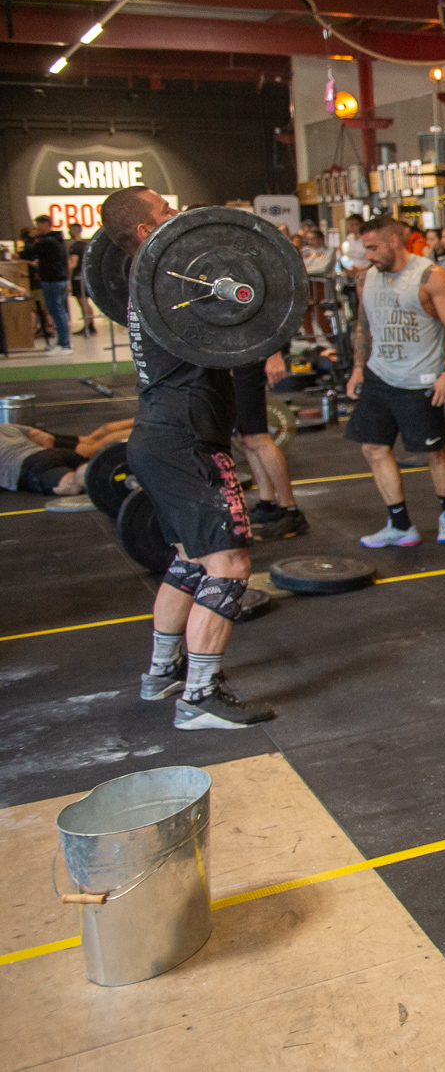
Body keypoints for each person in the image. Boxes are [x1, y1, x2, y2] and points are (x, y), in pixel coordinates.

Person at [98, 186, 272, 730]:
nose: (180, 219)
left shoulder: (149, 285)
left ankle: (162, 673)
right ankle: (198, 696)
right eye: (167, 214)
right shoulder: (170, 284)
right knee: (230, 564)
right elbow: (249, 302)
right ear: (149, 234)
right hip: (186, 440)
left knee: (188, 561)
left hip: (158, 435)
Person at [346, 214, 445, 548]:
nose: (369, 255)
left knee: (434, 452)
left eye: (373, 247)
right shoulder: (366, 280)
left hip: (421, 380)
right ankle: (400, 524)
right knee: (373, 447)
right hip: (379, 374)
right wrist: (358, 368)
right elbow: (363, 326)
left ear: (394, 241)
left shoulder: (431, 276)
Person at [232, 347, 307, 540]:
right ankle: (268, 504)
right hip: (235, 358)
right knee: (246, 437)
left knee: (257, 438)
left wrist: (274, 354)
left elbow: (272, 318)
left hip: (248, 357)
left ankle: (291, 511)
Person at [0, 418, 133, 496]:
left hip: (29, 465)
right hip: (56, 453)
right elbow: (46, 438)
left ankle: (97, 475)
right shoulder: (5, 426)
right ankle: (130, 468)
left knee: (71, 484)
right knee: (95, 459)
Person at [21, 216, 73, 352]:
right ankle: (62, 342)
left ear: (46, 224)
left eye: (38, 225)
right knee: (56, 310)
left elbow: (28, 253)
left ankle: (64, 344)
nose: (36, 228)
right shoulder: (57, 240)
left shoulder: (48, 241)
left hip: (52, 279)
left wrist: (30, 238)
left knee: (57, 310)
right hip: (56, 278)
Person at [67, 226, 96, 336]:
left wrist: (68, 279)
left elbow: (72, 264)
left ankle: (88, 325)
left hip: (78, 278)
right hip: (85, 276)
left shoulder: (75, 247)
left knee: (82, 302)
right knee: (85, 302)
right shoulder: (86, 245)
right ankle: (90, 325)